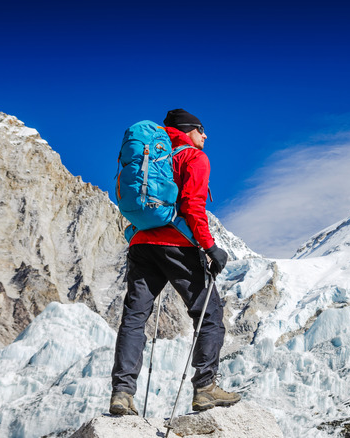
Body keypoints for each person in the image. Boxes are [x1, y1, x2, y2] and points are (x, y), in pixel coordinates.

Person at [109, 109, 239, 415]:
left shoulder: (153, 155)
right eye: (201, 129)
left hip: (142, 243)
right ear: (189, 130)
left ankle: (122, 392)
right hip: (177, 245)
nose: (205, 135)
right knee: (209, 315)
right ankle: (205, 389)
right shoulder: (193, 157)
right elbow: (192, 206)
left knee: (134, 318)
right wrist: (210, 247)